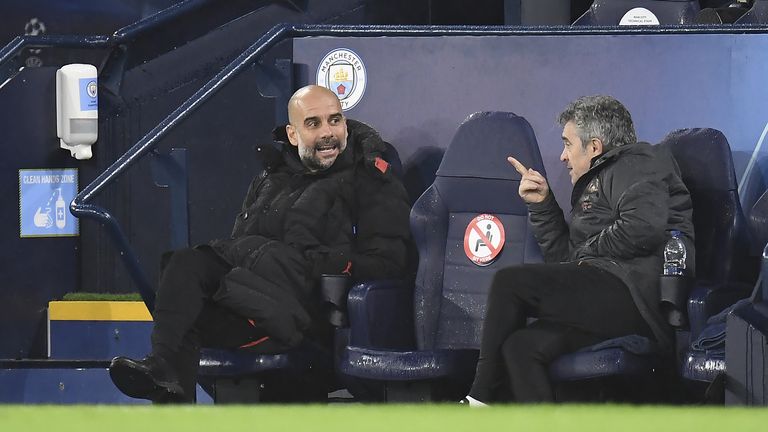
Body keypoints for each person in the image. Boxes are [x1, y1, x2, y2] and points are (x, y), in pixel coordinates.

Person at [109, 85, 412, 402]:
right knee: (185, 293)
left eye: (335, 121)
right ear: (293, 135)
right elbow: (243, 247)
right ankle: (166, 379)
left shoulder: (370, 178)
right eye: (313, 123)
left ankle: (163, 370)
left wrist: (322, 263)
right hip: (252, 302)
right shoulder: (270, 179)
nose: (328, 133)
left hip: (305, 317)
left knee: (189, 273)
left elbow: (389, 264)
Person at [463, 95, 694, 405]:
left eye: (568, 144)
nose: (562, 156)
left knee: (510, 282)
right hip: (602, 301)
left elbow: (641, 228)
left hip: (634, 299)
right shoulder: (594, 185)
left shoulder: (636, 163)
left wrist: (587, 252)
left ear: (595, 147)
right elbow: (567, 260)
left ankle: (478, 400)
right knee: (520, 347)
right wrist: (542, 205)